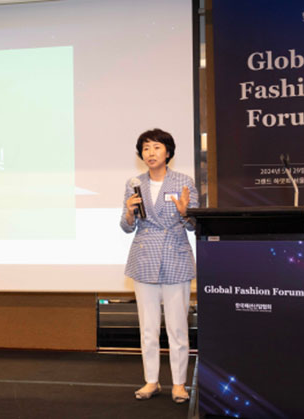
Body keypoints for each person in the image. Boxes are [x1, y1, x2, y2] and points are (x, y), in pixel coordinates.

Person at [120, 128, 198, 404]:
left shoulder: (184, 181)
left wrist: (186, 213)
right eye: (145, 148)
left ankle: (179, 384)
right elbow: (126, 227)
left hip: (175, 256)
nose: (150, 153)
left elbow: (195, 225)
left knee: (177, 328)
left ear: (168, 152)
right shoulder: (134, 183)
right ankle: (151, 381)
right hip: (144, 259)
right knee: (148, 328)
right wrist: (129, 212)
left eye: (156, 147)